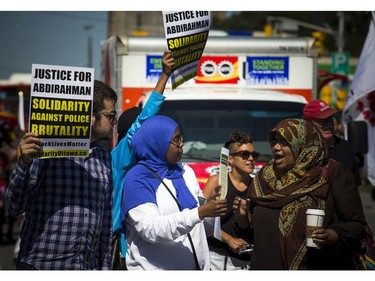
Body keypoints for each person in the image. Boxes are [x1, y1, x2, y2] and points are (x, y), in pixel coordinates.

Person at [5, 80, 117, 270]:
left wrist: (104, 267)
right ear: (91, 117)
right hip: (41, 266)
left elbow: (105, 221)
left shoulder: (104, 157)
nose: (114, 122)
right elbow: (14, 206)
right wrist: (24, 163)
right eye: (111, 116)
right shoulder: (46, 150)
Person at [234, 118, 366, 269]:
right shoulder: (265, 176)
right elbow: (252, 230)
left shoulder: (333, 173)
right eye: (274, 141)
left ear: (302, 144)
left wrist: (330, 236)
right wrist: (242, 216)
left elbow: (355, 223)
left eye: (283, 142)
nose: (275, 147)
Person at [121, 115, 228, 270]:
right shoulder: (138, 178)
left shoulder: (185, 171)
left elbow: (202, 230)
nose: (182, 144)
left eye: (181, 138)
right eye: (176, 139)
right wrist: (198, 212)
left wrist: (209, 208)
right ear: (158, 142)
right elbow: (150, 229)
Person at [111, 50, 174, 266]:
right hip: (120, 243)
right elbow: (142, 122)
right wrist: (164, 76)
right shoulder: (119, 158)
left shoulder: (157, 163)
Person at [202, 130, 256, 270]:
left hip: (249, 261)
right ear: (230, 159)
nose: (251, 158)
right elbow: (199, 218)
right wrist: (229, 239)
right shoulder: (217, 181)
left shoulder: (257, 186)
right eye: (245, 154)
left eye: (253, 155)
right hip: (217, 259)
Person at [303, 99, 362, 187]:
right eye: (321, 121)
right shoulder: (302, 151)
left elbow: (354, 187)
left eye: (330, 118)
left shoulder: (345, 147)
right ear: (308, 124)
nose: (328, 124)